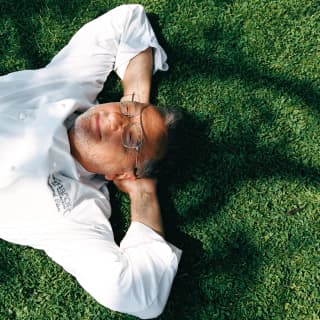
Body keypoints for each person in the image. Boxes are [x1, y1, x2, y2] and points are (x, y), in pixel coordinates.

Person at [0, 4, 182, 319]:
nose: (114, 122)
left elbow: (138, 295)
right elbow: (129, 20)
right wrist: (135, 99)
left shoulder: (75, 214)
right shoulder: (70, 85)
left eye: (130, 140)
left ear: (123, 173)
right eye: (125, 114)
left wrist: (143, 194)